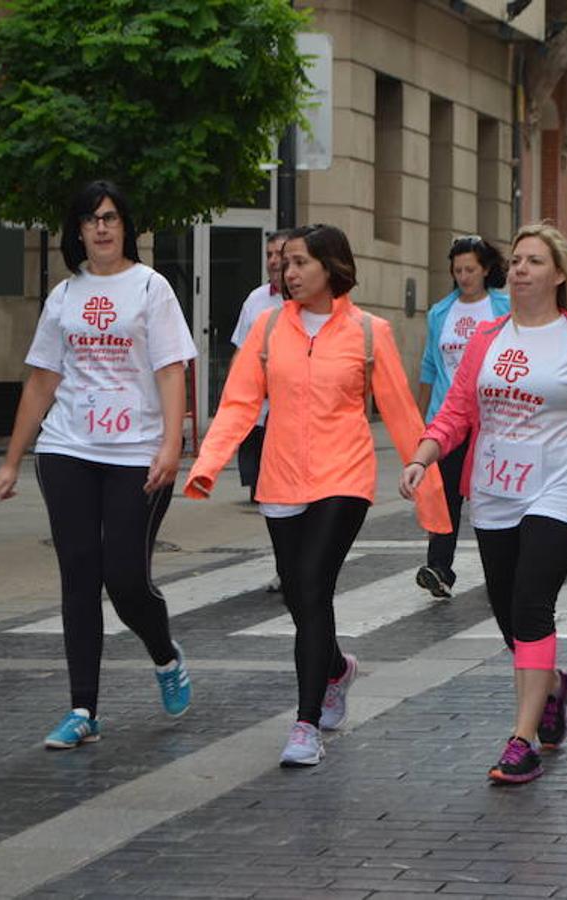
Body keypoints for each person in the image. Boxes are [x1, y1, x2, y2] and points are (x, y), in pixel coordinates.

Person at [399, 222, 567, 785]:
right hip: (495, 487)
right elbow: (456, 411)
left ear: (559, 275)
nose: (520, 269)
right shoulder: (487, 340)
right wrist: (422, 457)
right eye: (515, 260)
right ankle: (552, 687)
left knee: (533, 603)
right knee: (506, 607)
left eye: (534, 261)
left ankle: (522, 741)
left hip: (564, 483)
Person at [184, 223, 449, 768]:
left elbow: (401, 412)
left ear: (332, 266)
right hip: (280, 477)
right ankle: (336, 670)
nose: (289, 271)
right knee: (299, 597)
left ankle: (305, 724)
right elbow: (237, 404)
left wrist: (429, 494)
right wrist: (208, 465)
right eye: (285, 263)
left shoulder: (368, 332)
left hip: (344, 476)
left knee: (311, 584)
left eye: (301, 261)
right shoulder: (267, 329)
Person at [0, 181, 197, 750]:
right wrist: (12, 459)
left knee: (126, 579)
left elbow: (171, 369)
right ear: (76, 231)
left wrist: (171, 446)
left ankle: (164, 655)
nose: (101, 228)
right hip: (68, 449)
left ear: (125, 225)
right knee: (79, 577)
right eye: (89, 219)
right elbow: (42, 380)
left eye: (109, 217)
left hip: (136, 452)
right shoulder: (63, 296)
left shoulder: (152, 289)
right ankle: (83, 709)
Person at [415, 235, 510, 599]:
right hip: (448, 418)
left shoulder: (504, 307)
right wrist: (424, 421)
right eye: (458, 270)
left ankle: (502, 567)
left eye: (471, 269)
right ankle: (439, 568)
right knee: (445, 497)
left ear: (486, 269)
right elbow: (429, 367)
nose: (464, 276)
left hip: (492, 418)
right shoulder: (440, 312)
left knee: (491, 496)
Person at [230, 230, 290, 504]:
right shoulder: (256, 299)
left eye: (280, 254)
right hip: (259, 402)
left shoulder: (306, 300)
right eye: (269, 255)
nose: (274, 261)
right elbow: (241, 349)